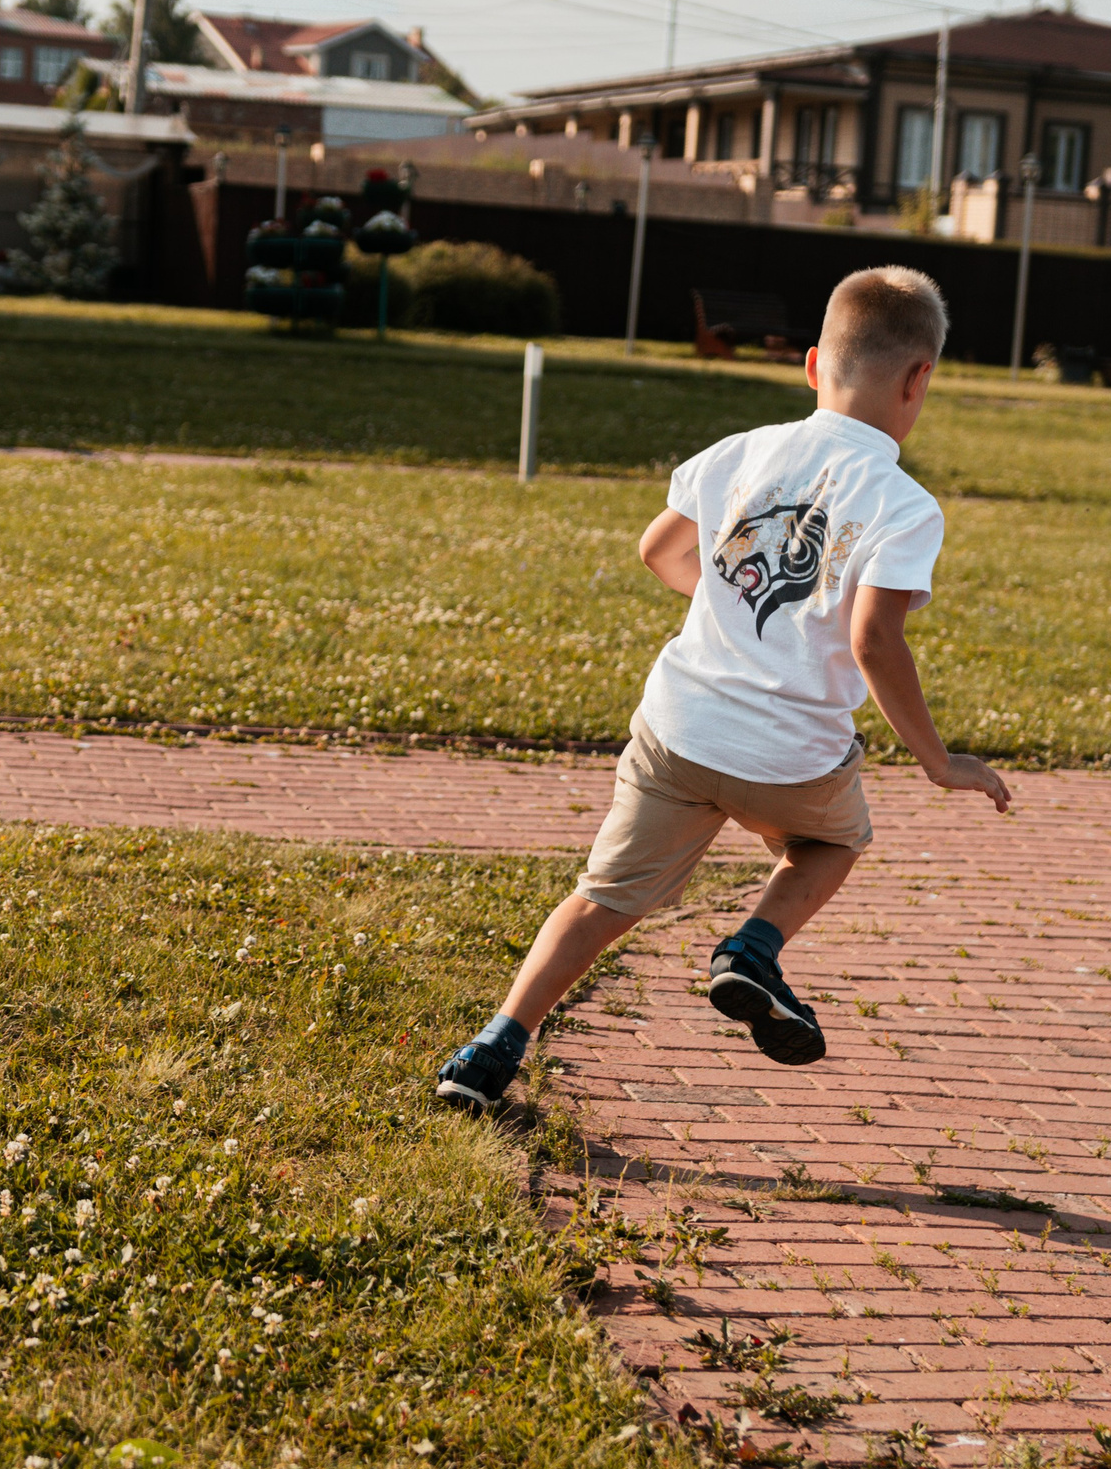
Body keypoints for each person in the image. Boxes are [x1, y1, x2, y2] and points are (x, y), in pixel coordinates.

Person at [434, 266, 1013, 1110]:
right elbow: (874, 639)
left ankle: (491, 1049)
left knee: (600, 899)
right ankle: (751, 950)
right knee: (832, 842)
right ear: (919, 378)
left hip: (680, 730)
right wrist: (939, 761)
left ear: (814, 365)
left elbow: (660, 552)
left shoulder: (739, 452)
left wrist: (732, 601)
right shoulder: (903, 503)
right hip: (791, 757)